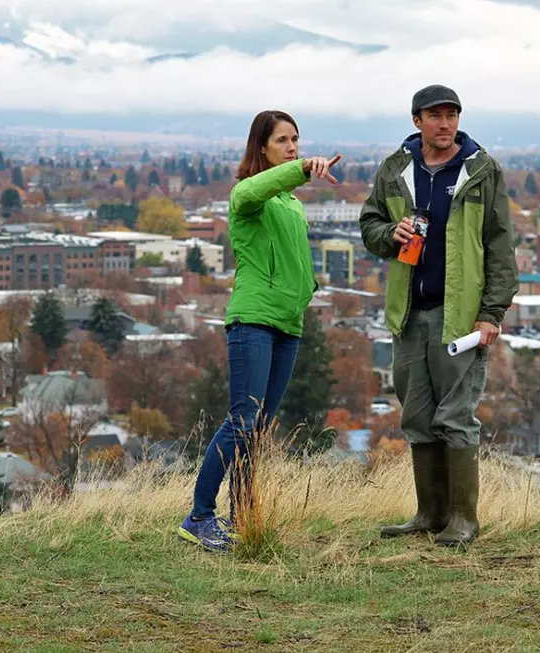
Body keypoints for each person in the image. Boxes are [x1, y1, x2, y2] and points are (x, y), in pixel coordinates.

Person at [359, 85, 519, 547]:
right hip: (409, 314)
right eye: (435, 115)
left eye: (451, 115)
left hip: (461, 318)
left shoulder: (480, 171)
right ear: (417, 121)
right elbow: (369, 227)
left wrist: (492, 312)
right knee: (418, 417)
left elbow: (500, 245)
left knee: (456, 417)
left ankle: (463, 520)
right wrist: (393, 232)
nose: (444, 123)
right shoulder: (395, 170)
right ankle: (428, 515)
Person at [178, 110, 340, 552]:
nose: (292, 147)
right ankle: (199, 516)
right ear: (262, 148)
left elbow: (296, 260)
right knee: (242, 419)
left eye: (296, 141)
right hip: (252, 321)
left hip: (288, 324)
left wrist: (308, 291)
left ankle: (244, 518)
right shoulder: (248, 196)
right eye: (283, 141)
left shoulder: (291, 204)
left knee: (259, 426)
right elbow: (254, 188)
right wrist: (301, 170)